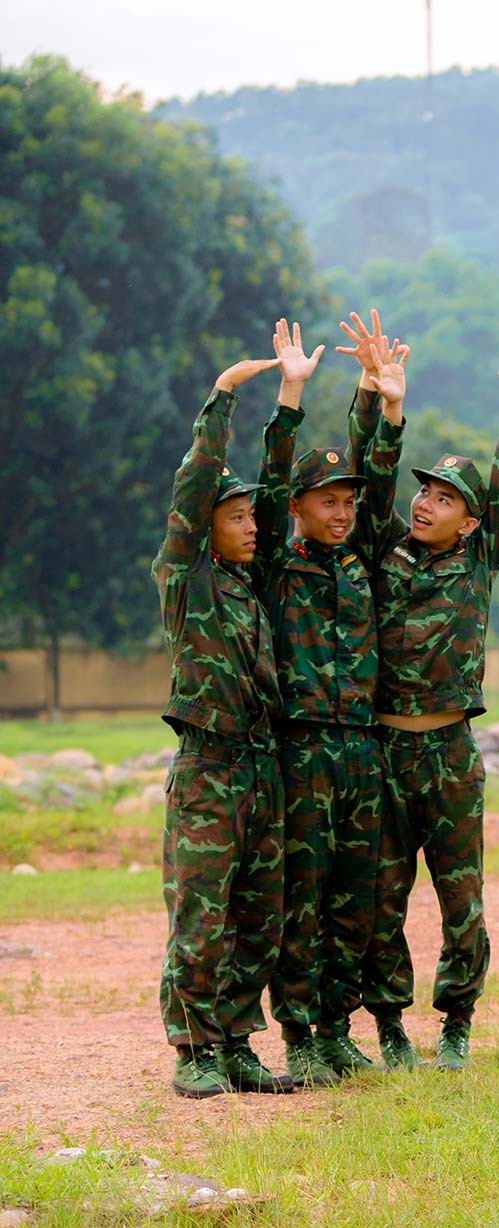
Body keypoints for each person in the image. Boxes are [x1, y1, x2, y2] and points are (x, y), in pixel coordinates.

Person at [357, 336, 499, 1070]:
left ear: (470, 522)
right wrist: (389, 406)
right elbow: (373, 478)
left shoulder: (480, 557)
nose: (426, 504)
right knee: (380, 897)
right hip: (382, 750)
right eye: (425, 492)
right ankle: (386, 1025)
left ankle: (456, 1024)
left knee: (460, 896)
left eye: (445, 499)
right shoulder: (384, 549)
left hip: (448, 751)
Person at [261, 311, 407, 1083]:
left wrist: (385, 407)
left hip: (360, 745)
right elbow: (274, 468)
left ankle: (336, 1027)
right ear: (298, 506)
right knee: (303, 900)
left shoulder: (362, 563)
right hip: (303, 747)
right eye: (328, 501)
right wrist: (291, 395)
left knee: (357, 898)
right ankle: (298, 1038)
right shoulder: (275, 569)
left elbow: (382, 481)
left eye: (348, 502)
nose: (344, 511)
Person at [152, 336, 297, 1099]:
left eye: (248, 516)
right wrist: (222, 399)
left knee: (256, 915)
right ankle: (193, 1049)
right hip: (208, 770)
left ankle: (237, 1042)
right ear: (204, 528)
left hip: (260, 769)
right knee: (202, 918)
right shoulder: (187, 580)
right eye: (233, 515)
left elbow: (278, 493)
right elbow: (191, 490)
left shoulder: (253, 587)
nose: (247, 525)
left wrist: (291, 403)